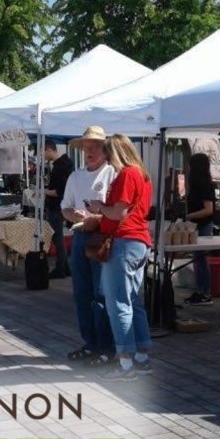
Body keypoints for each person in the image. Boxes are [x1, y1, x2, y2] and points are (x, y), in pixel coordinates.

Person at [87, 133, 153, 382]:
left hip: (124, 242)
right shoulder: (142, 174)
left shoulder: (127, 174)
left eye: (105, 152)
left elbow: (118, 212)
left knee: (118, 304)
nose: (104, 158)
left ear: (113, 152)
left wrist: (99, 208)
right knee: (133, 301)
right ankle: (142, 358)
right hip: (138, 241)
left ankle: (125, 362)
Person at [62, 126, 116, 366]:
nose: (89, 151)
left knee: (101, 294)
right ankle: (90, 343)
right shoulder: (75, 176)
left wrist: (98, 218)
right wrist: (73, 215)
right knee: (81, 293)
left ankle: (107, 347)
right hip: (81, 236)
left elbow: (120, 212)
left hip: (103, 238)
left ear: (105, 150)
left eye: (94, 147)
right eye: (86, 147)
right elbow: (64, 207)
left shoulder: (112, 174)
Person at [184, 152, 216, 306]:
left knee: (201, 259)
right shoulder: (195, 184)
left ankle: (205, 292)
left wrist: (189, 216)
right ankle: (200, 291)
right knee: (198, 260)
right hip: (196, 225)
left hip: (203, 225)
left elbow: (209, 210)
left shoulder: (205, 185)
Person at [44, 139, 74, 279]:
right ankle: (65, 267)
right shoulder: (64, 164)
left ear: (49, 150)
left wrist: (43, 191)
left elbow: (58, 191)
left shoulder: (59, 167)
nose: (42, 155)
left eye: (42, 152)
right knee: (58, 237)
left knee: (58, 238)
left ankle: (61, 268)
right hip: (61, 206)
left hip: (56, 206)